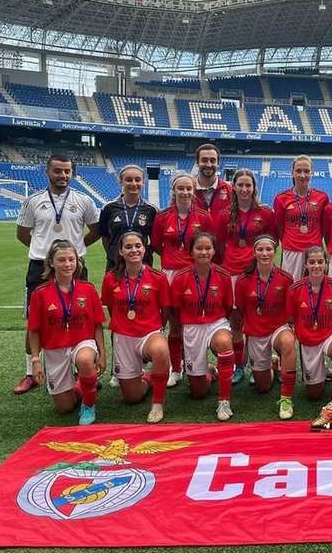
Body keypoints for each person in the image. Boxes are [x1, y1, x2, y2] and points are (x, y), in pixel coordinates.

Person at [15, 154, 100, 395]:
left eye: (67, 171)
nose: (63, 176)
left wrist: (72, 253)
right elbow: (22, 233)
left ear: (72, 173)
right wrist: (47, 254)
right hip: (40, 265)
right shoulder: (33, 201)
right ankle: (31, 373)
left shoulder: (84, 200)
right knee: (33, 320)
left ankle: (82, 371)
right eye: (58, 171)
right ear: (48, 172)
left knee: (79, 317)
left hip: (75, 266)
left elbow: (95, 230)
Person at [27, 239, 106, 425]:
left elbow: (97, 325)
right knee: (64, 407)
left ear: (78, 262)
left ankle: (88, 405)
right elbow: (33, 330)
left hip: (83, 342)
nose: (67, 264)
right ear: (51, 263)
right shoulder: (40, 293)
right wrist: (36, 361)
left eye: (71, 259)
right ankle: (81, 385)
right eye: (61, 260)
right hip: (55, 348)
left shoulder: (88, 289)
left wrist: (102, 353)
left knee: (85, 359)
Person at [213, 168, 276, 385]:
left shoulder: (265, 214)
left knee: (257, 319)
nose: (244, 189)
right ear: (234, 187)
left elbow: (271, 241)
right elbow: (218, 245)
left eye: (248, 185)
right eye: (240, 185)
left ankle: (260, 363)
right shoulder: (223, 215)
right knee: (236, 322)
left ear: (254, 188)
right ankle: (239, 365)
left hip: (255, 274)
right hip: (231, 273)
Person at [151, 172, 213, 388]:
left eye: (189, 188)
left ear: (194, 191)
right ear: (174, 190)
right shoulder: (162, 216)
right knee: (175, 324)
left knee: (194, 321)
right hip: (169, 275)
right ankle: (175, 368)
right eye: (181, 188)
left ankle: (194, 364)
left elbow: (208, 244)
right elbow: (157, 244)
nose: (185, 192)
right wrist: (172, 260)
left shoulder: (204, 216)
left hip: (194, 274)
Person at [101, 232, 171, 423]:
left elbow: (165, 310)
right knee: (132, 398)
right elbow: (110, 305)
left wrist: (157, 328)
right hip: (123, 337)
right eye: (129, 247)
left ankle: (158, 403)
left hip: (149, 333)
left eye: (138, 246)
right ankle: (149, 377)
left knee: (161, 349)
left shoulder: (158, 277)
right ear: (121, 251)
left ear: (144, 248)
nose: (134, 250)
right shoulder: (110, 279)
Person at [169, 232, 237, 420]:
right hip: (191, 327)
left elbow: (228, 307)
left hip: (216, 323)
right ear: (191, 251)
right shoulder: (181, 277)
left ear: (214, 251)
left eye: (208, 248)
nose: (204, 252)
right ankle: (210, 372)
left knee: (224, 343)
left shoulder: (223, 275)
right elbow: (175, 310)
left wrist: (217, 322)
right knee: (198, 392)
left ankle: (224, 401)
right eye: (199, 248)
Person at [234, 235, 298, 419]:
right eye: (260, 250)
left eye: (268, 249)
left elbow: (290, 310)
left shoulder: (286, 278)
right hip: (256, 332)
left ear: (275, 252)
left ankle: (286, 398)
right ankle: (273, 365)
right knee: (262, 387)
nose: (264, 253)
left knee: (288, 342)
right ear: (253, 252)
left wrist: (290, 328)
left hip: (278, 328)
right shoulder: (243, 280)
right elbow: (241, 310)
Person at [286, 246, 332, 428]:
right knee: (314, 394)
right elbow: (291, 318)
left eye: (320, 262)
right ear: (305, 264)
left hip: (329, 334)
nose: (316, 265)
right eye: (312, 262)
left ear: (326, 263)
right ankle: (324, 371)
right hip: (308, 340)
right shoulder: (295, 289)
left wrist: (330, 332)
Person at [274, 155, 330, 280]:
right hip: (291, 251)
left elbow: (324, 227)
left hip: (314, 253)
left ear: (312, 173)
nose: (302, 175)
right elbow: (279, 227)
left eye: (306, 171)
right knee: (291, 287)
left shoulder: (322, 197)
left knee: (315, 289)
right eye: (298, 171)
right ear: (292, 173)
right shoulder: (281, 198)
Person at [99, 165, 156, 272]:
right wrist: (115, 253)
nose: (134, 184)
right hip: (115, 263)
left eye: (137, 180)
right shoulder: (109, 208)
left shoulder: (151, 210)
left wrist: (145, 253)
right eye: (129, 180)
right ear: (121, 182)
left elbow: (155, 240)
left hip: (142, 263)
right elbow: (105, 237)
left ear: (143, 182)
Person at [193, 143, 233, 219]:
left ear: (218, 163)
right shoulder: (189, 190)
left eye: (212, 160)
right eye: (204, 160)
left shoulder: (229, 191)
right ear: (197, 163)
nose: (209, 165)